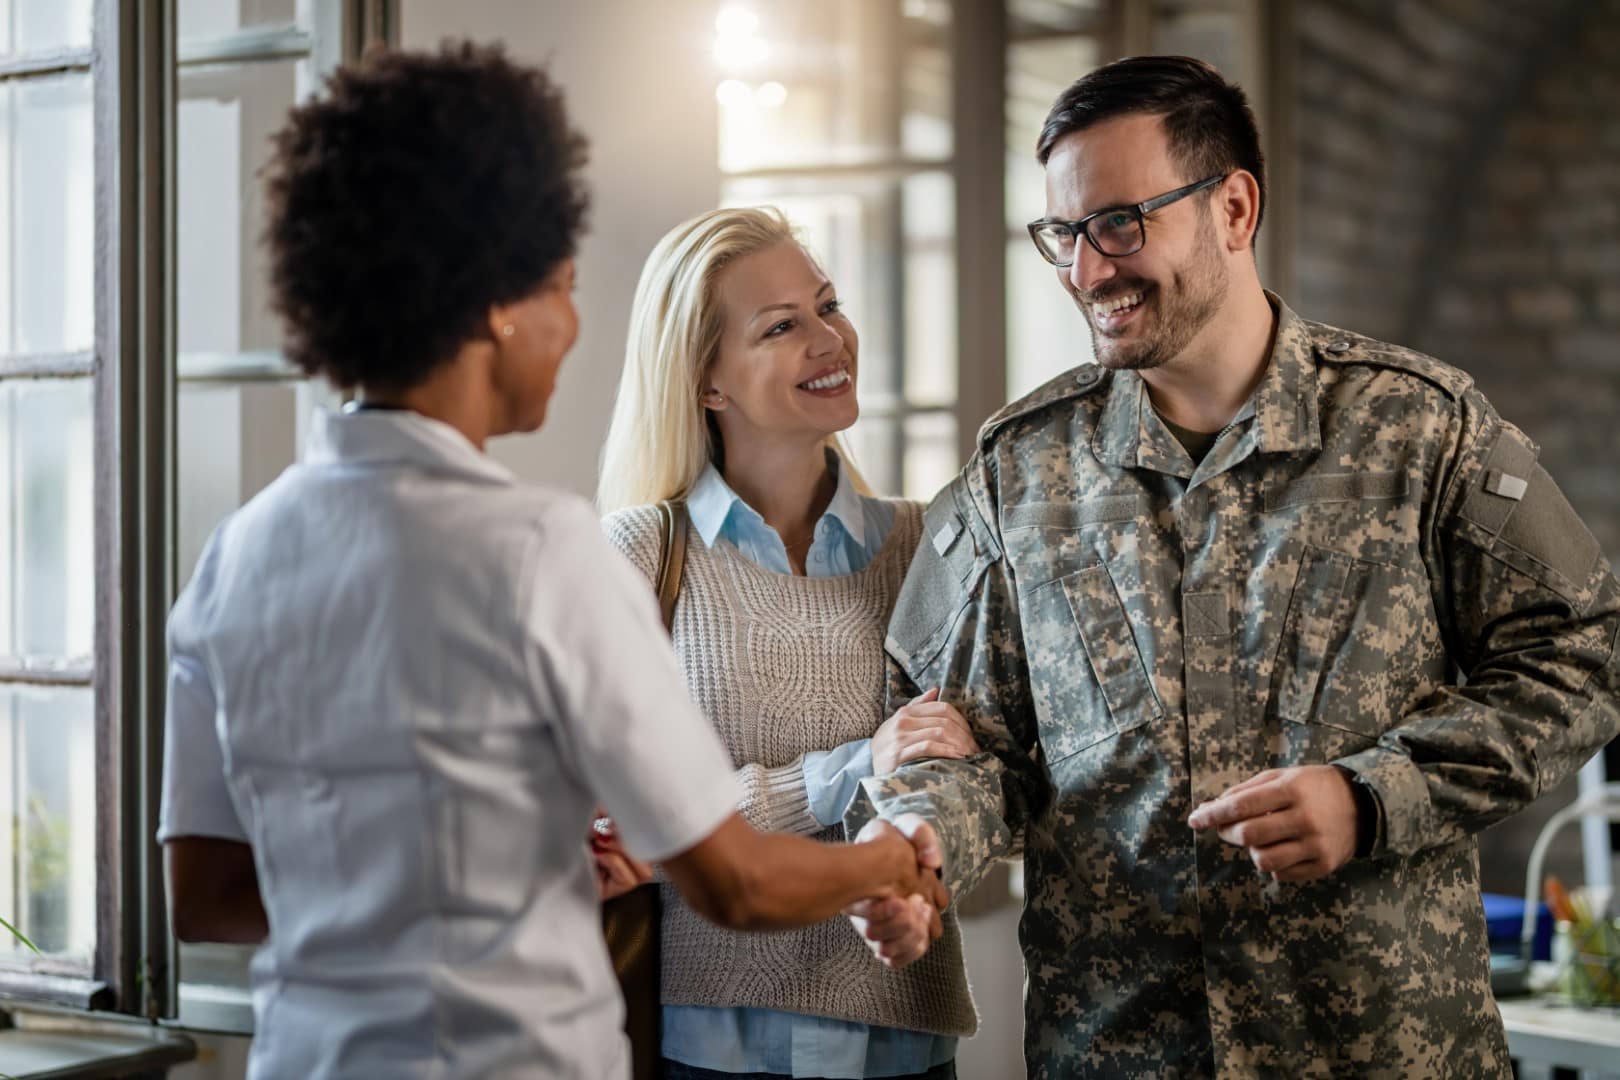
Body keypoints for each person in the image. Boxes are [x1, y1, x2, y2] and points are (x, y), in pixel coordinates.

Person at [155, 44, 944, 1080]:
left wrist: (480, 875)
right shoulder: (542, 550)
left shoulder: (236, 556)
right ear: (497, 302)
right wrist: (893, 861)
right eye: (562, 288)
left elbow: (208, 900)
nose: (571, 330)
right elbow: (734, 884)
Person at [845, 54, 1620, 1077]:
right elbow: (967, 736)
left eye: (1120, 223)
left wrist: (1374, 794)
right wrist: (922, 842)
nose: (1087, 271)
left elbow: (1580, 655)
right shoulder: (1018, 469)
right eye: (1064, 235)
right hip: (1116, 1053)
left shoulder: (1419, 430)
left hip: (1380, 1052)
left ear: (1235, 208)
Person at [595, 206, 979, 1080]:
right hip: (707, 1048)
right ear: (707, 383)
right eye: (781, 326)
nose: (829, 337)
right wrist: (853, 766)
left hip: (904, 1040)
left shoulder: (928, 544)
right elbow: (623, 826)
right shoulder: (639, 554)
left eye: (827, 304)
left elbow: (968, 779)